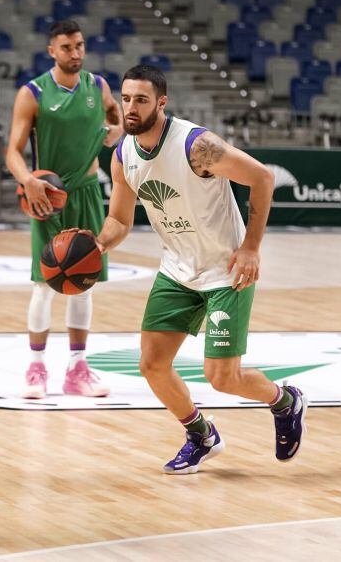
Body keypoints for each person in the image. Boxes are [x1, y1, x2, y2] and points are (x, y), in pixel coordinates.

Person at [92, 64, 306, 474]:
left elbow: (261, 178)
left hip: (226, 270)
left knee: (222, 378)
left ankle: (285, 400)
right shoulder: (122, 155)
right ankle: (201, 435)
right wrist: (100, 243)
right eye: (126, 99)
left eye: (141, 100)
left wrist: (251, 247)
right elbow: (119, 220)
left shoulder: (196, 145)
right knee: (151, 364)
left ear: (161, 102)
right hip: (177, 270)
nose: (131, 108)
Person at [4, 19, 123, 399]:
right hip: (49, 198)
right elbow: (12, 152)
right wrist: (28, 181)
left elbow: (115, 114)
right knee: (44, 285)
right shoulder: (33, 92)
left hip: (88, 193)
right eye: (67, 47)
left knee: (84, 286)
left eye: (80, 46)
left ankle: (77, 369)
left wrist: (117, 128)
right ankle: (36, 369)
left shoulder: (99, 86)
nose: (76, 53)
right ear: (51, 51)